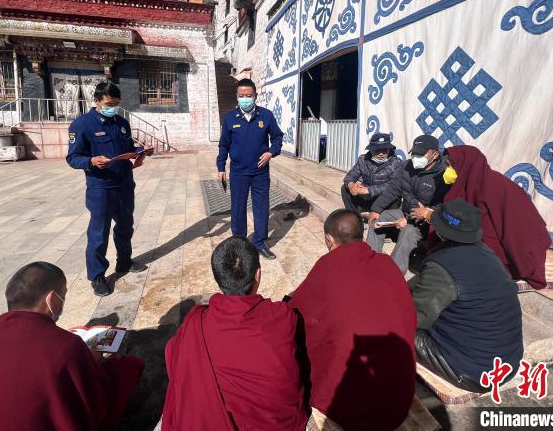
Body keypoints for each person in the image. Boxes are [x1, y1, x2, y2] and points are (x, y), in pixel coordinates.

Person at [0, 262, 144, 431]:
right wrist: (94, 363)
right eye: (64, 295)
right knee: (126, 368)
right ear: (52, 300)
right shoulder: (66, 348)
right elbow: (97, 410)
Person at [162, 236, 308, 431]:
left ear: (218, 279)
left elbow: (173, 355)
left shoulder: (198, 322)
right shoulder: (282, 315)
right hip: (278, 424)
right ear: (258, 274)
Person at [289, 210, 416, 431]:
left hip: (350, 408)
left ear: (329, 239)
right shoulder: (387, 264)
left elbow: (294, 314)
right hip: (400, 398)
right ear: (361, 234)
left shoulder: (327, 267)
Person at [411, 200, 523, 392]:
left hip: (472, 371)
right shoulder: (488, 255)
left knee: (390, 326)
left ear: (440, 230)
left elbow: (415, 318)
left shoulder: (441, 266)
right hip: (507, 362)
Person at [428, 145, 550, 289]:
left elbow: (516, 230)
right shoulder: (466, 183)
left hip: (510, 244)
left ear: (466, 165)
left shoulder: (496, 187)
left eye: (452, 165)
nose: (448, 170)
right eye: (448, 164)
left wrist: (525, 263)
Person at [67, 81, 148, 296]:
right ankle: (98, 276)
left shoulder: (122, 123)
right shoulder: (82, 125)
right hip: (101, 188)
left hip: (124, 184)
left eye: (116, 103)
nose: (113, 107)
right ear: (97, 101)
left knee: (125, 227)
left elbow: (128, 148)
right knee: (98, 233)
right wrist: (91, 161)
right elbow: (73, 158)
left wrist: (140, 152)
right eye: (109, 103)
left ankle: (124, 261)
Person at [217, 79, 284, 260]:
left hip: (260, 172)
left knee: (261, 208)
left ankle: (260, 242)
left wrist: (271, 152)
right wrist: (221, 166)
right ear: (237, 97)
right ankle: (239, 244)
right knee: (238, 208)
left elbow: (278, 138)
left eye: (248, 96)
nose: (245, 99)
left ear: (255, 96)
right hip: (238, 172)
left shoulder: (266, 116)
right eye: (241, 96)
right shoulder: (230, 118)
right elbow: (224, 145)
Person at [367, 134, 452, 273]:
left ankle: (394, 274)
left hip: (426, 222)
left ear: (435, 154)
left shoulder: (444, 175)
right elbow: (393, 189)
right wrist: (376, 209)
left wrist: (408, 220)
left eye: (421, 153)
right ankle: (370, 262)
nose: (416, 157)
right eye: (414, 153)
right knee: (380, 217)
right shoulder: (407, 166)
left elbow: (441, 206)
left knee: (408, 231)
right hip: (406, 212)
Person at [341, 132, 404, 215]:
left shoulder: (397, 163)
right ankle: (353, 217)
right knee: (345, 189)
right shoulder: (363, 159)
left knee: (394, 198)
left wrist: (368, 190)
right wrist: (352, 185)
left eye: (385, 150)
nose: (381, 154)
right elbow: (350, 176)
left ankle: (383, 217)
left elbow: (393, 185)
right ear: (371, 149)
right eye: (377, 150)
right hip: (367, 197)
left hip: (383, 198)